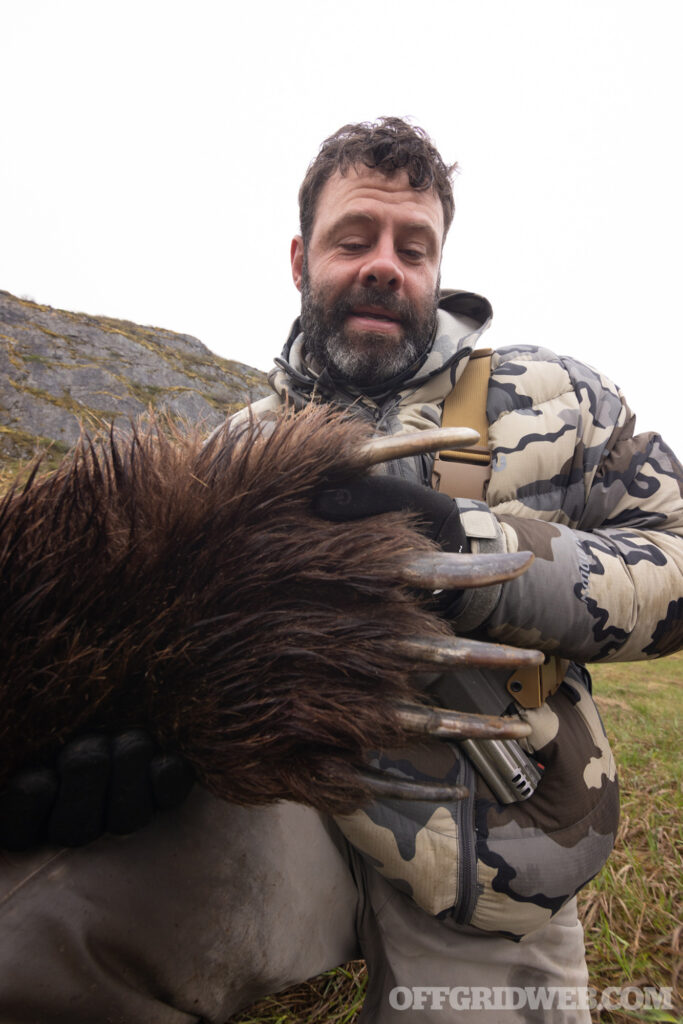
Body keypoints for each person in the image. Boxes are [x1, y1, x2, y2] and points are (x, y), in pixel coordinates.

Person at [0, 118, 681, 1023]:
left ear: (438, 266)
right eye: (352, 239)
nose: (383, 265)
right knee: (33, 929)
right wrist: (111, 732)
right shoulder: (226, 450)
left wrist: (470, 551)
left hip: (498, 852)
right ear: (298, 257)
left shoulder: (558, 399)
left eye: (413, 245)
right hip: (280, 809)